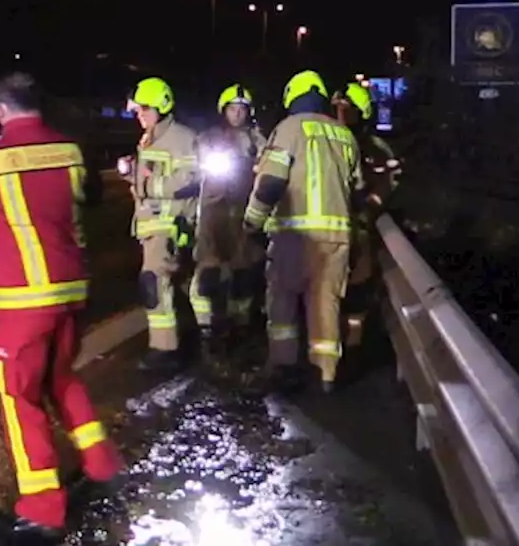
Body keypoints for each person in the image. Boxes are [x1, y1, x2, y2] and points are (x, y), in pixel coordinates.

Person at [0, 72, 122, 546]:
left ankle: (42, 513)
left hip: (24, 301)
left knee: (19, 398)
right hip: (70, 290)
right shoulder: (69, 151)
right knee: (60, 378)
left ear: (0, 111)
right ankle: (102, 464)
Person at [243, 70, 365, 393]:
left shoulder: (288, 129)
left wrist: (251, 222)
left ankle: (283, 366)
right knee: (326, 305)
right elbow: (359, 192)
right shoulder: (344, 135)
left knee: (282, 300)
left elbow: (270, 183)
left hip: (295, 238)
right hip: (338, 239)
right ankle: (325, 376)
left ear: (291, 98)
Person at [121, 77, 198, 372]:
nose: (139, 115)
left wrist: (148, 185)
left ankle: (165, 350)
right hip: (154, 226)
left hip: (170, 225)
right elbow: (151, 178)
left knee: (154, 283)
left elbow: (189, 181)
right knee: (178, 284)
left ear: (160, 107)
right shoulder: (150, 137)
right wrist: (134, 176)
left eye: (143, 109)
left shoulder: (180, 138)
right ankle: (204, 338)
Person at [191, 84, 268, 345]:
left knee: (244, 270)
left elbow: (267, 165)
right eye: (232, 109)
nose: (237, 114)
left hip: (243, 213)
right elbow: (198, 163)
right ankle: (210, 324)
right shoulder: (209, 138)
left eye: (242, 109)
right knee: (209, 269)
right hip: (214, 212)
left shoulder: (257, 138)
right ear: (223, 111)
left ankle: (242, 320)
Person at [334, 82, 398, 346]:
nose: (340, 115)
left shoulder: (374, 148)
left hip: (358, 232)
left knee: (356, 295)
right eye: (337, 109)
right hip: (327, 231)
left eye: (346, 109)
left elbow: (389, 182)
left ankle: (354, 347)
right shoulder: (326, 143)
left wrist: (370, 204)